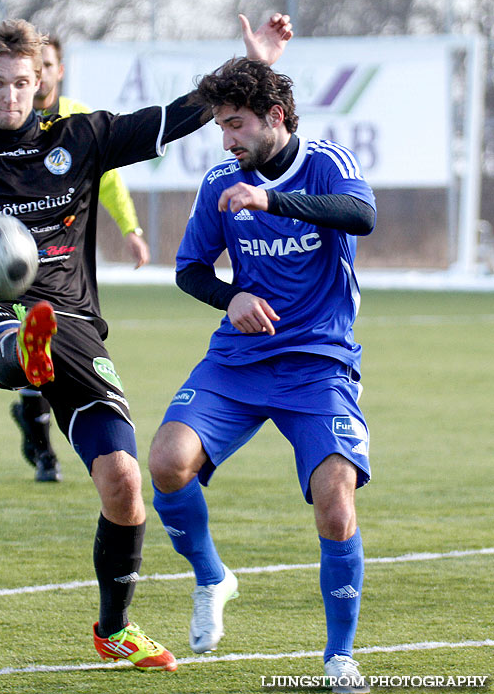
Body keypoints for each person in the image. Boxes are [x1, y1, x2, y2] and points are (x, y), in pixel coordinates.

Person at [0, 14, 292, 672]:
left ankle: (114, 629)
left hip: (71, 324)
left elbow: (174, 117)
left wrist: (257, 64)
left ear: (41, 80)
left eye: (20, 82)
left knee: (125, 482)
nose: (10, 95)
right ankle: (23, 356)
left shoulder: (82, 136)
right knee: (8, 333)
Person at [148, 57, 375, 691]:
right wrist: (233, 300)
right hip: (239, 361)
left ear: (275, 117)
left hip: (320, 362)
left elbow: (362, 217)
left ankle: (339, 658)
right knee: (166, 460)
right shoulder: (220, 181)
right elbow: (190, 270)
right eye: (221, 126)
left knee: (335, 505)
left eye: (237, 124)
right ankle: (212, 578)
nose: (226, 139)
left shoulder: (329, 162)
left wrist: (270, 198)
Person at [11, 35, 149, 483]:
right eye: (36, 67)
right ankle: (45, 448)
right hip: (16, 257)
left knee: (53, 345)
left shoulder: (78, 121)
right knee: (36, 343)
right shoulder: (11, 124)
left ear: (58, 70)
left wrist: (131, 229)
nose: (42, 75)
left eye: (48, 65)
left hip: (67, 259)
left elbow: (108, 182)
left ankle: (37, 430)